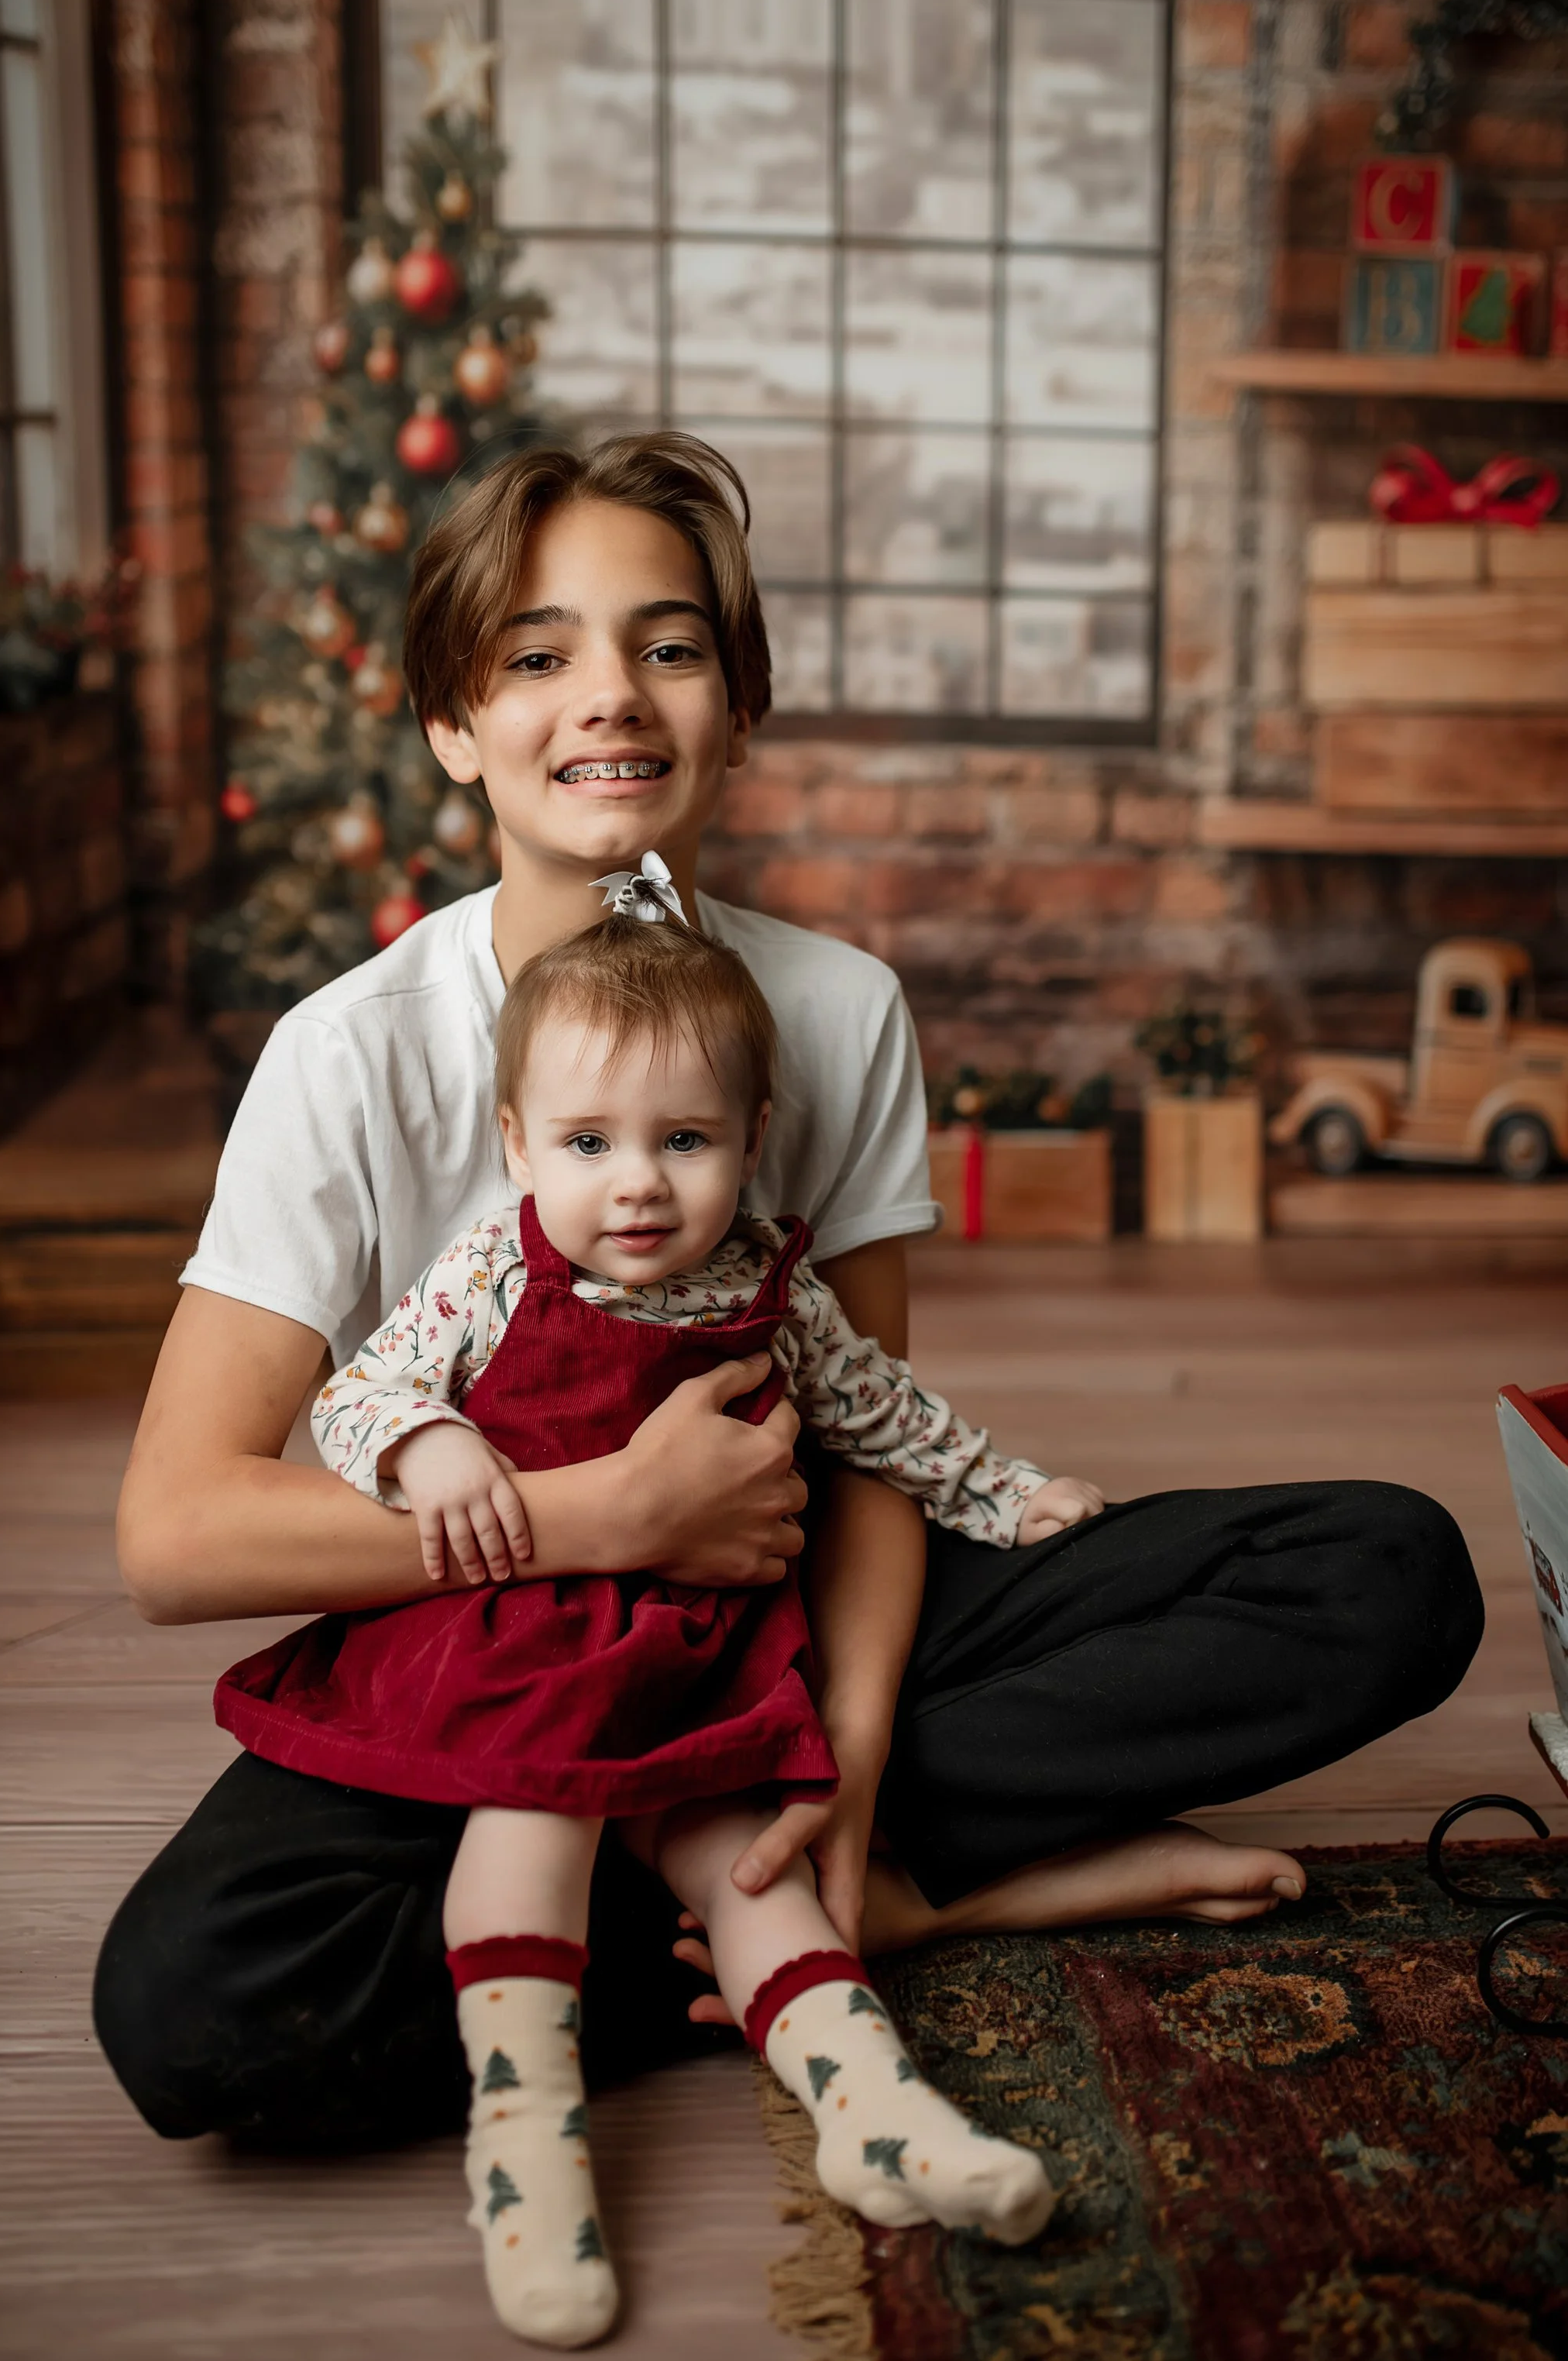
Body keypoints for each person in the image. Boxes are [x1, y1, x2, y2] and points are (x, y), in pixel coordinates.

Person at [97, 432, 1482, 2170]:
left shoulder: (832, 1010)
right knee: (190, 2006)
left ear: (736, 709)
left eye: (667, 646)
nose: (609, 695)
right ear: (453, 724)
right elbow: (175, 1532)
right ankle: (856, 1915)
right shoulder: (346, 1051)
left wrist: (842, 1741)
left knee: (1387, 1569)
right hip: (479, 1657)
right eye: (536, 655)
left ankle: (812, 1875)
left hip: (763, 1632)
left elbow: (868, 1449)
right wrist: (598, 1514)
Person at [222, 899, 1085, 2343]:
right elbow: (354, 1394)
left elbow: (886, 1416)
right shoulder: (494, 1270)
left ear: (750, 1139)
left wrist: (1011, 1492)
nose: (636, 1184)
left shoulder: (771, 1286)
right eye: (588, 1144)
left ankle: (870, 2107)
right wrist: (427, 1444)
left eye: (683, 1141)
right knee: (535, 1813)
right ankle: (526, 2138)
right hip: (522, 1636)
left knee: (750, 1863)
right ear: (518, 1145)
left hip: (704, 1643)